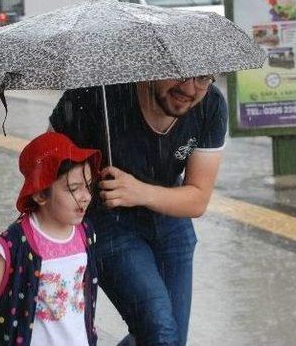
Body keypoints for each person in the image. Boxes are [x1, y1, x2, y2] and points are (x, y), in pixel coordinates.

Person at [48, 75, 228, 346]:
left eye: (202, 78)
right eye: (179, 75)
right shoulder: (96, 95)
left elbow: (197, 199)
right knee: (160, 332)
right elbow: (48, 167)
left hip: (171, 220)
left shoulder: (211, 104)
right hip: (109, 220)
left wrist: (138, 191)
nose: (189, 89)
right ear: (153, 65)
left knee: (169, 338)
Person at [0, 132, 102, 346]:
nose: (86, 196)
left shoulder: (84, 233)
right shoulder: (16, 243)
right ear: (40, 195)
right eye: (73, 189)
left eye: (88, 185)